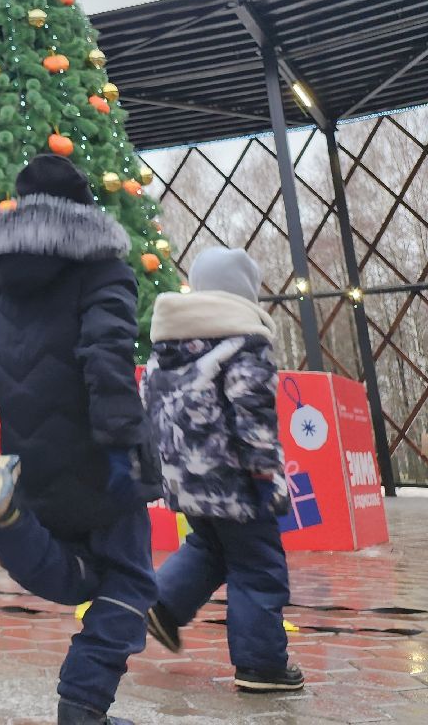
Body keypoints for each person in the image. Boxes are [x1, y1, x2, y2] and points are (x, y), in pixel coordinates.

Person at [0, 155, 160, 725]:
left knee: (71, 575)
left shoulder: (0, 280)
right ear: (84, 205)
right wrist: (120, 441)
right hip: (95, 454)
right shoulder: (102, 266)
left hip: (30, 459)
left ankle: (8, 522)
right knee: (129, 583)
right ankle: (83, 703)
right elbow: (105, 356)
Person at [141, 247, 303, 693]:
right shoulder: (243, 342)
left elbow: (151, 410)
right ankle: (262, 666)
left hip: (186, 479)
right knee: (259, 567)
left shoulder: (167, 347)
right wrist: (263, 469)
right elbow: (252, 411)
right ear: (244, 294)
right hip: (236, 480)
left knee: (209, 545)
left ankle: (163, 603)